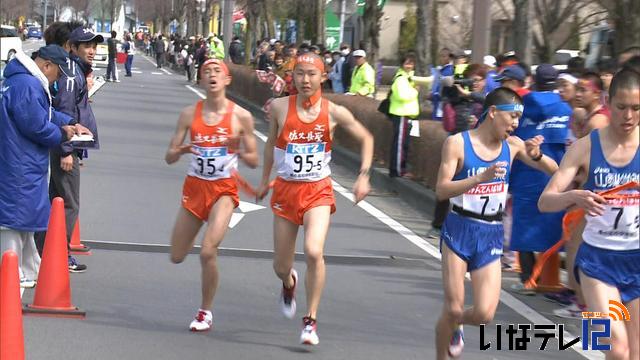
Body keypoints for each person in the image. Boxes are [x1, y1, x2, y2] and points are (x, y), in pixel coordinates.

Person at [256, 53, 373, 345]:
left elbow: (367, 138)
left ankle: (310, 320)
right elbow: (271, 144)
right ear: (292, 77)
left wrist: (364, 175)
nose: (305, 80)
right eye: (299, 74)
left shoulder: (334, 112)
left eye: (311, 74)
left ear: (323, 77)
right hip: (286, 190)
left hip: (317, 190)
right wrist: (264, 180)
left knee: (313, 251)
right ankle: (288, 283)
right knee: (281, 266)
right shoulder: (281, 107)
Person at [434, 87, 559, 359]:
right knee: (453, 307)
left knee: (484, 314)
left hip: (491, 232)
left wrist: (536, 155)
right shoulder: (457, 143)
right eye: (512, 116)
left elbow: (556, 171)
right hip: (459, 228)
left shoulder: (513, 146)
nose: (515, 123)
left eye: (519, 118)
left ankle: (458, 324)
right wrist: (479, 178)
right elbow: (442, 190)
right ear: (493, 113)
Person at [538, 69, 639, 360]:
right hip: (597, 262)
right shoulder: (586, 147)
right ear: (608, 101)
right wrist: (574, 196)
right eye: (621, 107)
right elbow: (545, 201)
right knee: (617, 349)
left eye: (636, 108)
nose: (629, 116)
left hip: (637, 259)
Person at [166, 58, 258, 331]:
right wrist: (182, 150)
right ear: (202, 80)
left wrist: (238, 147)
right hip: (195, 189)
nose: (212, 75)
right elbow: (169, 156)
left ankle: (205, 311)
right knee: (176, 256)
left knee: (208, 251)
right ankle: (205, 307)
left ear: (227, 79)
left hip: (223, 191)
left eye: (218, 71)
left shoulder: (241, 117)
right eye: (207, 72)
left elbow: (253, 160)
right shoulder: (188, 114)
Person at [1, 45, 87, 288]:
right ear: (47, 65)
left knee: (22, 222)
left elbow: (43, 114)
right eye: (58, 74)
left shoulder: (18, 81)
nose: (57, 81)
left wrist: (69, 122)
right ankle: (14, 275)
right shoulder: (27, 86)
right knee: (14, 222)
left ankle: (30, 271)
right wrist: (63, 134)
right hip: (19, 163)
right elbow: (37, 125)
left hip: (17, 159)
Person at [508, 64, 571, 295]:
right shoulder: (566, 109)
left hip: (526, 172)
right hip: (557, 172)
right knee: (553, 224)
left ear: (534, 80)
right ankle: (550, 278)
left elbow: (511, 135)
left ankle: (528, 279)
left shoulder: (522, 107)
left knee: (523, 227)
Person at [45, 27, 103, 273]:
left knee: (55, 200)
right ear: (73, 47)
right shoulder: (71, 76)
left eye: (94, 46)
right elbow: (67, 113)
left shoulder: (75, 72)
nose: (92, 50)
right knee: (69, 203)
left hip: (66, 146)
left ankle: (47, 251)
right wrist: (68, 150)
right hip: (64, 147)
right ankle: (61, 254)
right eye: (86, 46)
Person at [387, 53, 420, 178]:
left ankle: (400, 168)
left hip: (407, 115)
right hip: (401, 114)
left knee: (404, 143)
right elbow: (401, 95)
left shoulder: (410, 78)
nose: (409, 66)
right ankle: (397, 170)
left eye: (411, 63)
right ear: (402, 64)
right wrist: (415, 91)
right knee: (400, 144)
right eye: (407, 63)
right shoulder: (400, 78)